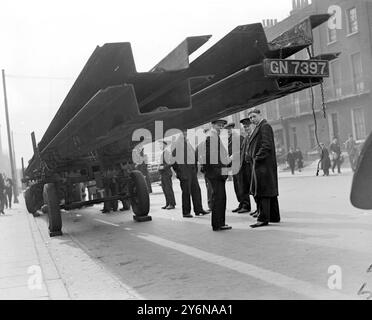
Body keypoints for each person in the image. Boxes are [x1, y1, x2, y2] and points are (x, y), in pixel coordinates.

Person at [246, 108, 280, 228]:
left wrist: (256, 157)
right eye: (250, 118)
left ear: (260, 115)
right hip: (263, 165)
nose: (252, 119)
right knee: (269, 191)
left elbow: (266, 145)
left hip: (263, 165)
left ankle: (263, 218)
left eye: (254, 116)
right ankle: (274, 216)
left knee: (262, 192)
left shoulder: (264, 126)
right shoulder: (261, 126)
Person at [202, 119, 232, 231]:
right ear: (212, 125)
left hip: (215, 173)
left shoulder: (214, 137)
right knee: (219, 198)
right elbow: (212, 158)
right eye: (218, 125)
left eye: (222, 126)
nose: (220, 127)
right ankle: (218, 224)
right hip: (216, 174)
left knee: (219, 198)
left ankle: (219, 223)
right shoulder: (212, 137)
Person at [172, 130, 209, 218]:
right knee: (186, 192)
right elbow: (172, 160)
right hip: (184, 171)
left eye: (186, 132)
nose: (185, 133)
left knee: (196, 190)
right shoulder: (177, 144)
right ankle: (186, 212)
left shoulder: (188, 142)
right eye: (183, 132)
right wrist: (179, 171)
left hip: (192, 170)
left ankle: (198, 209)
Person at [236, 118, 257, 215]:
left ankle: (259, 208)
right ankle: (247, 206)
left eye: (248, 126)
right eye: (244, 127)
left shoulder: (255, 137)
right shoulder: (245, 138)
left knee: (255, 188)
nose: (246, 128)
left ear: (252, 125)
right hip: (244, 167)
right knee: (246, 187)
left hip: (252, 167)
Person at [225, 122, 247, 213]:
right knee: (237, 186)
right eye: (227, 130)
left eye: (230, 129)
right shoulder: (229, 139)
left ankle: (246, 204)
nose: (229, 131)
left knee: (242, 185)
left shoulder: (239, 138)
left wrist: (233, 156)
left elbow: (242, 150)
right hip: (234, 166)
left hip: (240, 165)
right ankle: (241, 203)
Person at [158, 141, 176, 210]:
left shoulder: (167, 153)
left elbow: (170, 162)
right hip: (163, 174)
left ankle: (172, 204)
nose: (160, 146)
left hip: (166, 173)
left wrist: (163, 167)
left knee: (168, 189)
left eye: (160, 145)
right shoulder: (163, 153)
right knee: (165, 189)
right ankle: (168, 203)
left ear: (164, 145)